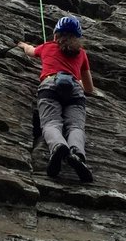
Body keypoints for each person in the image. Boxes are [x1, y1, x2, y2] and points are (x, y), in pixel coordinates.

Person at [16, 15, 95, 183]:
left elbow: (30, 51)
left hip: (50, 85)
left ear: (55, 34)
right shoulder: (81, 54)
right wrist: (78, 81)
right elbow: (89, 89)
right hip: (74, 88)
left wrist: (23, 45)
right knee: (75, 126)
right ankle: (77, 154)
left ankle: (59, 146)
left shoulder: (47, 47)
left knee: (51, 123)